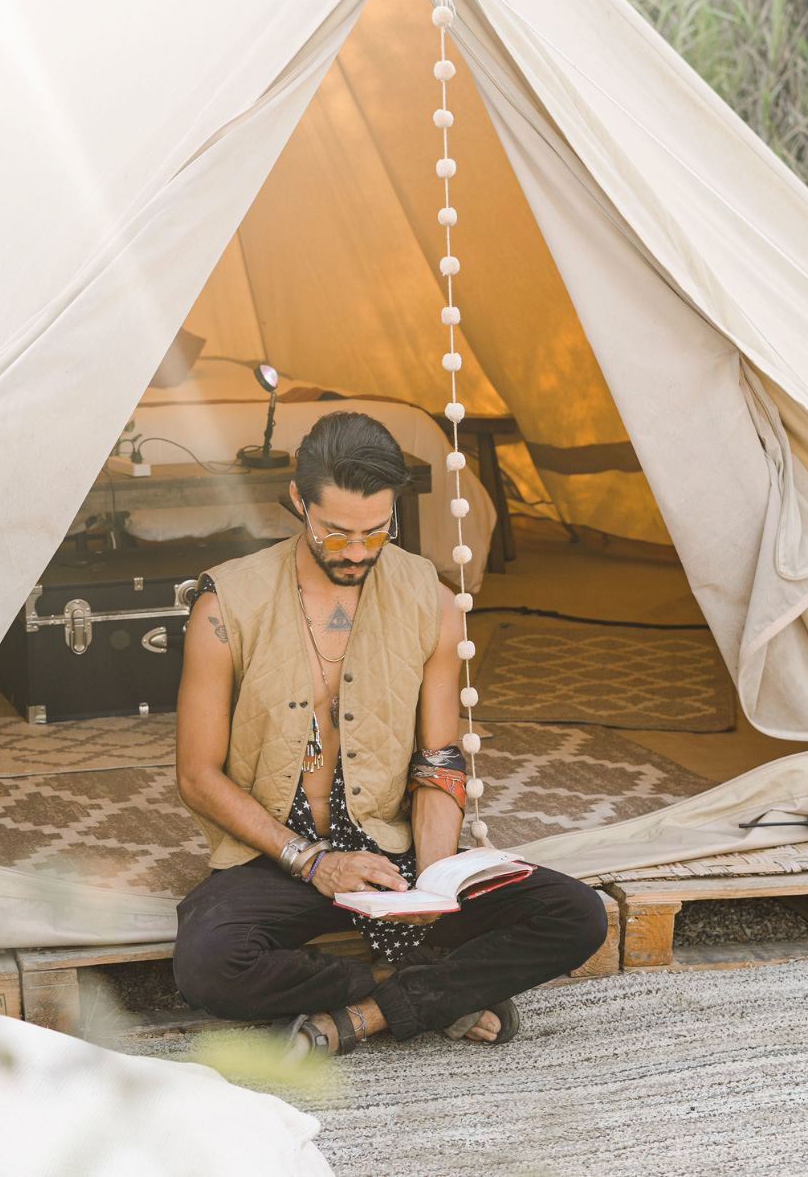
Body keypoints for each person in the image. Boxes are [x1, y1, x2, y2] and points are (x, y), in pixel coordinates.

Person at [173, 410, 606, 1055]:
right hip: (279, 859)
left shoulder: (430, 599)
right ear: (299, 501)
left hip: (393, 852)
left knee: (577, 914)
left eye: (376, 533)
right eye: (337, 532)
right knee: (208, 964)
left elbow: (437, 760)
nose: (355, 552)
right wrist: (312, 861)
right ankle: (414, 991)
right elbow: (197, 777)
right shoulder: (225, 606)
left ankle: (361, 1017)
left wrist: (433, 881)